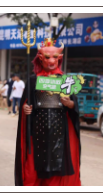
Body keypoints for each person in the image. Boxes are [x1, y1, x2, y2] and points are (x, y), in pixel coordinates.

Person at [15, 38, 81, 186]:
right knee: (33, 168)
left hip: (59, 131)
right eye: (47, 57)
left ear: (60, 58)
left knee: (57, 166)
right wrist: (25, 109)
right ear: (40, 58)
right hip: (37, 130)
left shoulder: (66, 80)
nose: (51, 61)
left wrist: (70, 104)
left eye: (55, 57)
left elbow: (74, 107)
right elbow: (26, 104)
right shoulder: (32, 80)